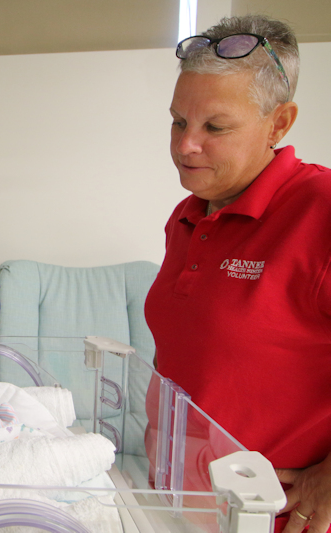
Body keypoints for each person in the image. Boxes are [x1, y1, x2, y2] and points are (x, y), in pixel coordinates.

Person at [144, 15, 331, 533]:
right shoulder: (188, 216)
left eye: (215, 127)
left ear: (279, 123)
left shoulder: (319, 210)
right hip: (185, 505)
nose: (185, 145)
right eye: (179, 121)